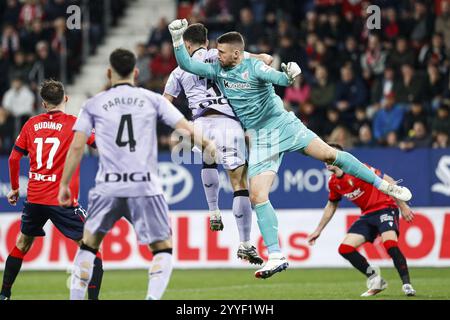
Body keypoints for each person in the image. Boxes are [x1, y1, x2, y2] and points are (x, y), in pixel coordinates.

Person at [168, 19, 412, 280]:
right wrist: (176, 39)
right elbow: (187, 64)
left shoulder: (255, 68)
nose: (216, 55)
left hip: (284, 125)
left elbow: (280, 79)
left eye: (222, 52)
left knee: (330, 154)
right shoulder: (217, 69)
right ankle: (276, 255)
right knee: (258, 196)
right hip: (261, 138)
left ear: (236, 53)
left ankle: (385, 186)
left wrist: (290, 73)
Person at [58, 48, 215, 300]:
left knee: (88, 245)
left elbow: (77, 145)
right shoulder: (152, 100)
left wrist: (64, 183)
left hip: (107, 186)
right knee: (162, 249)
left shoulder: (93, 104)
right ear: (136, 72)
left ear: (109, 73)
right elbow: (185, 127)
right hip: (144, 186)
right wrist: (209, 145)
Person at [164, 23, 269, 265]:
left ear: (186, 45)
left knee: (208, 157)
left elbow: (165, 103)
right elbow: (255, 59)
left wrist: (181, 126)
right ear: (207, 43)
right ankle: (245, 244)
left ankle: (213, 210)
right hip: (228, 122)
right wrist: (263, 57)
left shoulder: (178, 71)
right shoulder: (217, 56)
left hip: (200, 123)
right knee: (238, 182)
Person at [1, 80, 103, 300]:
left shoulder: (30, 124)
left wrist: (15, 189)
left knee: (21, 244)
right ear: (65, 99)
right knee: (92, 250)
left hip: (35, 199)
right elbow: (100, 145)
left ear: (43, 103)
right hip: (61, 200)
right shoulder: (75, 123)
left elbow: (13, 158)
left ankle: (4, 295)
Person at [307, 144, 416, 297]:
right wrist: (318, 230)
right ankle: (376, 280)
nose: (325, 159)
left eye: (328, 155)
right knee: (345, 249)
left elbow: (388, 180)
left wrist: (403, 205)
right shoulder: (333, 183)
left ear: (338, 156)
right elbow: (331, 206)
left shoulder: (358, 168)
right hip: (367, 214)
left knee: (390, 244)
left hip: (385, 207)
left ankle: (407, 285)